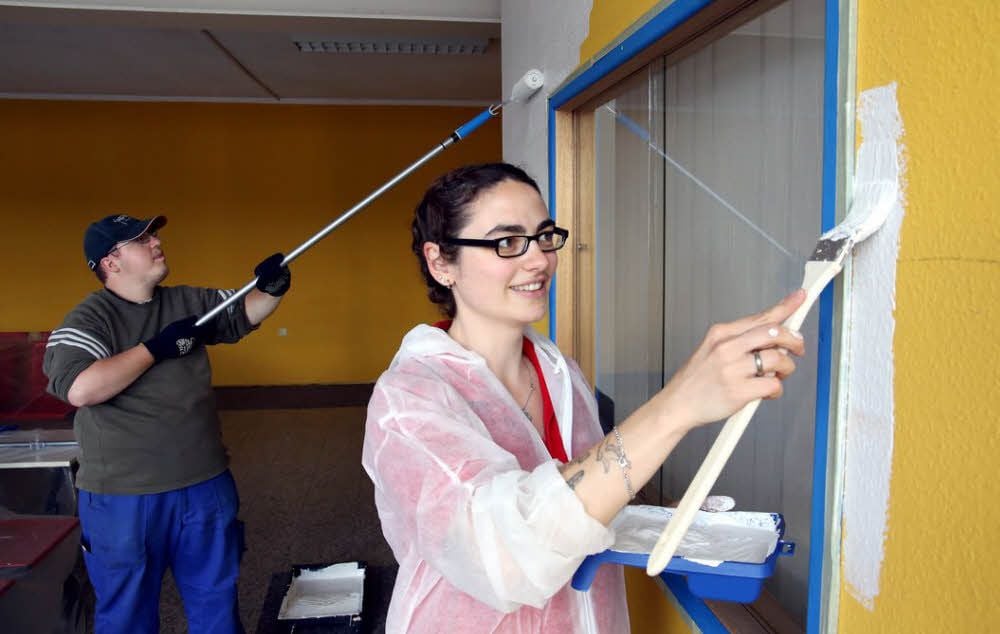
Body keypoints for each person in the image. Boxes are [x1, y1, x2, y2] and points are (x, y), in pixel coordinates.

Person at [362, 163, 807, 633]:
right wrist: (677, 405)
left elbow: (578, 500)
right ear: (440, 263)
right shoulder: (408, 403)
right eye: (507, 242)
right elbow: (509, 555)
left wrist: (658, 520)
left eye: (544, 235)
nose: (538, 260)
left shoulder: (561, 372)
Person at [43, 213, 292, 634]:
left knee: (216, 607)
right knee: (127, 617)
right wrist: (155, 348)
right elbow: (81, 389)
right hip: (125, 499)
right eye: (141, 240)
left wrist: (271, 289)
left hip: (204, 485)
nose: (156, 242)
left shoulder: (184, 303)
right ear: (111, 262)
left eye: (153, 234)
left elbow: (242, 314)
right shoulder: (90, 319)